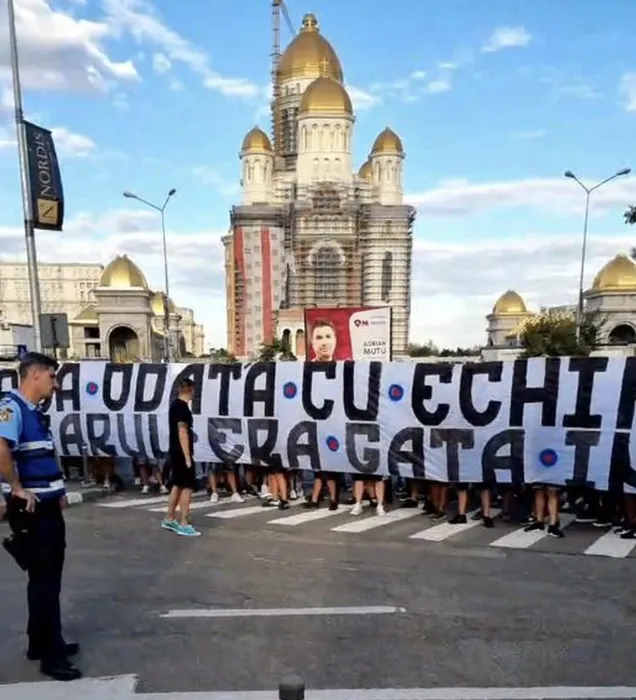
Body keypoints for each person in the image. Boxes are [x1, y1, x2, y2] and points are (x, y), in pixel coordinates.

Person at [0, 352, 82, 681]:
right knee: (46, 583)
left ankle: (41, 642)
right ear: (34, 375)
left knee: (44, 579)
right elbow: (1, 448)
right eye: (51, 376)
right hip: (33, 511)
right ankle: (51, 656)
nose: (55, 383)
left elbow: (42, 455)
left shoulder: (34, 411)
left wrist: (58, 490)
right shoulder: (11, 407)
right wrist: (16, 488)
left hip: (47, 505)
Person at [161, 378, 200, 537]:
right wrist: (188, 457)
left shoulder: (175, 406)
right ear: (191, 390)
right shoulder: (182, 408)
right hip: (182, 453)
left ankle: (169, 518)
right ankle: (183, 522)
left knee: (177, 484)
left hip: (175, 452)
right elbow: (182, 432)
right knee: (187, 486)